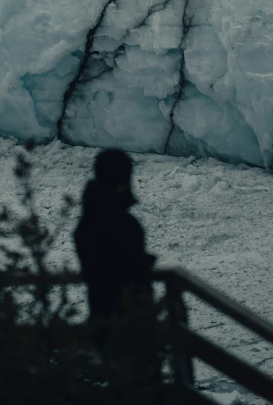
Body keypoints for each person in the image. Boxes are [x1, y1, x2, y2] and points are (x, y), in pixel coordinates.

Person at [74, 149, 162, 403]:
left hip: (101, 311)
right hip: (129, 317)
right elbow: (127, 268)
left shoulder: (88, 221)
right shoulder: (122, 223)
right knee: (140, 386)